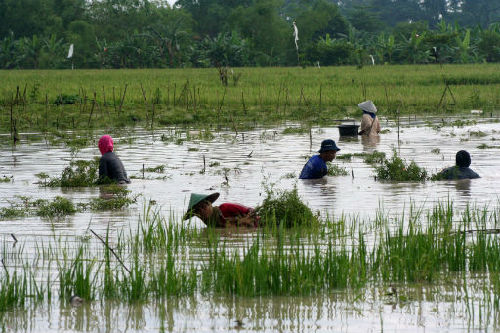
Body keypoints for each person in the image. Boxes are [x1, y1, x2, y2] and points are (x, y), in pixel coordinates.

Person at [183, 192, 259, 228]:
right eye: (198, 211)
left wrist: (247, 220)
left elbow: (250, 210)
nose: (202, 212)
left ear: (209, 204)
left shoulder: (225, 207)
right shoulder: (209, 223)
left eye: (204, 207)